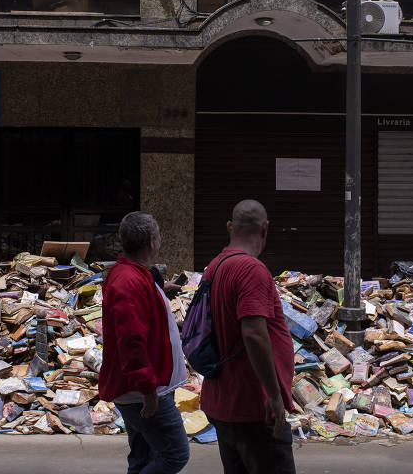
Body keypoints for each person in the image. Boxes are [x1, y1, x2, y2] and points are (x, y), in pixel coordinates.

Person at [201, 199, 296, 474]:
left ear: (230, 227)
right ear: (265, 230)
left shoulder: (215, 266)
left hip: (223, 402)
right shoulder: (251, 270)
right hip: (253, 406)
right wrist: (274, 394)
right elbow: (254, 334)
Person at [99, 211, 189, 474]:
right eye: (159, 234)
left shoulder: (134, 275)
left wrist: (161, 287)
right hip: (144, 393)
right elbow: (132, 342)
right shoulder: (129, 281)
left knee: (143, 456)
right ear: (152, 241)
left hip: (141, 389)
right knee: (175, 455)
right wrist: (149, 391)